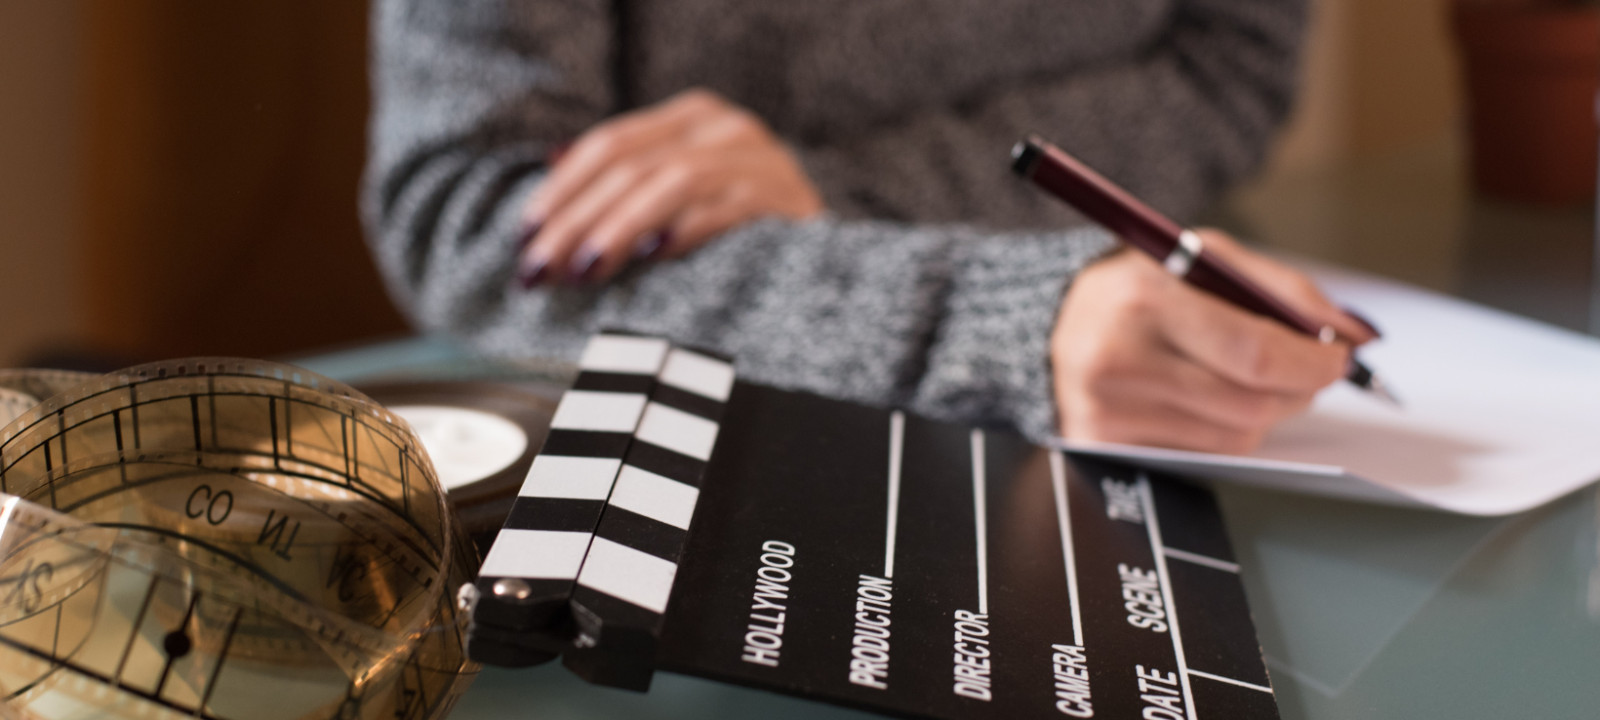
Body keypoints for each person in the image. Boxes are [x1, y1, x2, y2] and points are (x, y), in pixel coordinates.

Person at [362, 0, 1375, 454]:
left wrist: (843, 189)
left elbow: (1230, 70)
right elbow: (471, 213)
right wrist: (979, 322)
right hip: (693, 474)